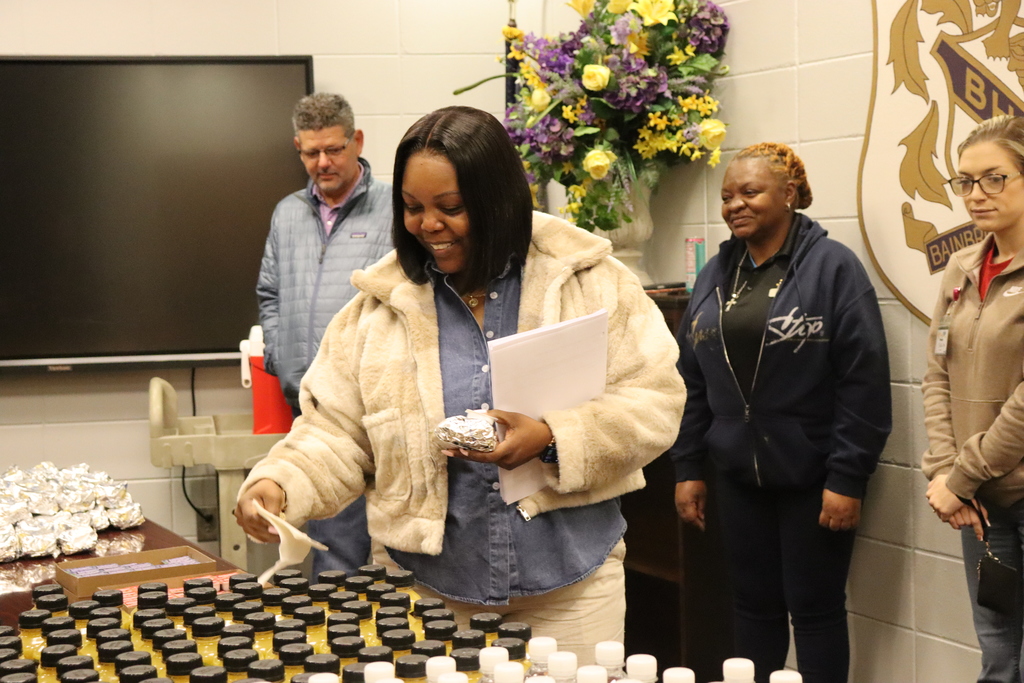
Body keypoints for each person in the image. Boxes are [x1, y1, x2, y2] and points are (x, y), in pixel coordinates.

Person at [236, 105, 686, 663]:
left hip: (571, 594)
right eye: (412, 208)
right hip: (427, 599)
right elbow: (335, 432)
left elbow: (655, 402)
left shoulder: (590, 283)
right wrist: (279, 483)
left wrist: (552, 438)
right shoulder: (377, 312)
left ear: (498, 200)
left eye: (451, 208)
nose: (428, 226)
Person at [668, 143, 891, 683]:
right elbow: (691, 380)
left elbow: (864, 379)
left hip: (814, 476)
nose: (735, 205)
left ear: (789, 194)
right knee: (751, 605)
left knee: (814, 610)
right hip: (737, 475)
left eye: (750, 192)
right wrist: (689, 468)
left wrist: (848, 477)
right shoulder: (717, 273)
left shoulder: (832, 266)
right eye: (726, 197)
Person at [255, 92, 392, 578]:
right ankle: (332, 629)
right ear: (298, 148)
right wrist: (280, 355)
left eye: (334, 149)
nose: (323, 162)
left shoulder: (393, 208)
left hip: (365, 400)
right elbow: (269, 292)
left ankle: (354, 635)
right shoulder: (287, 213)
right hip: (303, 395)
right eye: (311, 152)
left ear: (356, 141)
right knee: (321, 525)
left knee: (350, 543)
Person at [923, 115, 1024, 683]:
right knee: (998, 659)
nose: (976, 195)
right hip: (980, 502)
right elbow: (937, 373)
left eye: (994, 178)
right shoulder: (962, 268)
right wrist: (945, 473)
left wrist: (961, 474)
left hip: (1000, 484)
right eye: (965, 181)